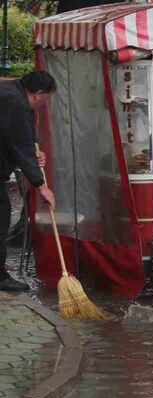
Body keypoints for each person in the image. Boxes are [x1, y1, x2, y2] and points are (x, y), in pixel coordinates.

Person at [0, 70, 57, 292]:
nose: (44, 105)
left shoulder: (12, 91)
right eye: (46, 99)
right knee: (2, 218)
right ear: (38, 94)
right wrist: (41, 186)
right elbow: (20, 144)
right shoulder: (14, 101)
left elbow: (26, 137)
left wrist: (36, 151)